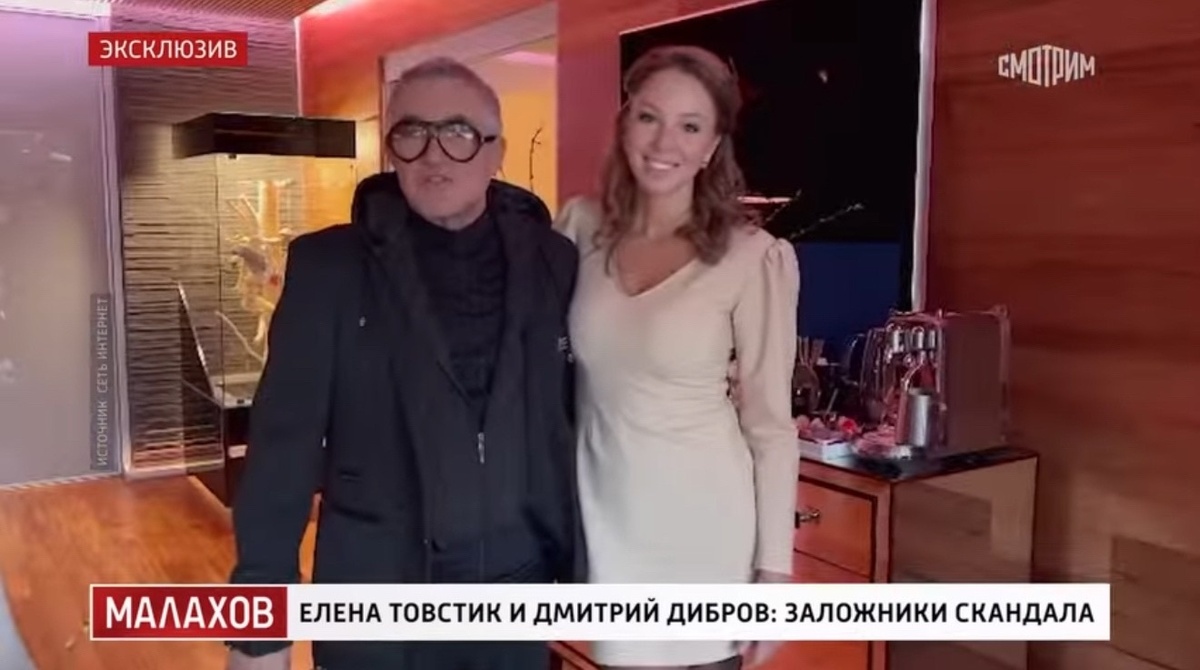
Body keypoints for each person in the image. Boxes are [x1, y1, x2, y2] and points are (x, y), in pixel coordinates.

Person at [225, 56, 583, 670]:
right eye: (412, 132)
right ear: (392, 149)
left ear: (496, 152)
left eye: (458, 131)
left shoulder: (554, 261)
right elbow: (283, 448)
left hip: (516, 593)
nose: (433, 154)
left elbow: (571, 422)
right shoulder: (328, 269)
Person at [554, 45, 800, 669]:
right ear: (624, 123)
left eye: (690, 126)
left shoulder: (751, 257)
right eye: (649, 117)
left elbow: (771, 426)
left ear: (712, 146)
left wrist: (773, 575)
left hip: (706, 533)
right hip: (605, 522)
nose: (665, 142)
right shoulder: (579, 227)